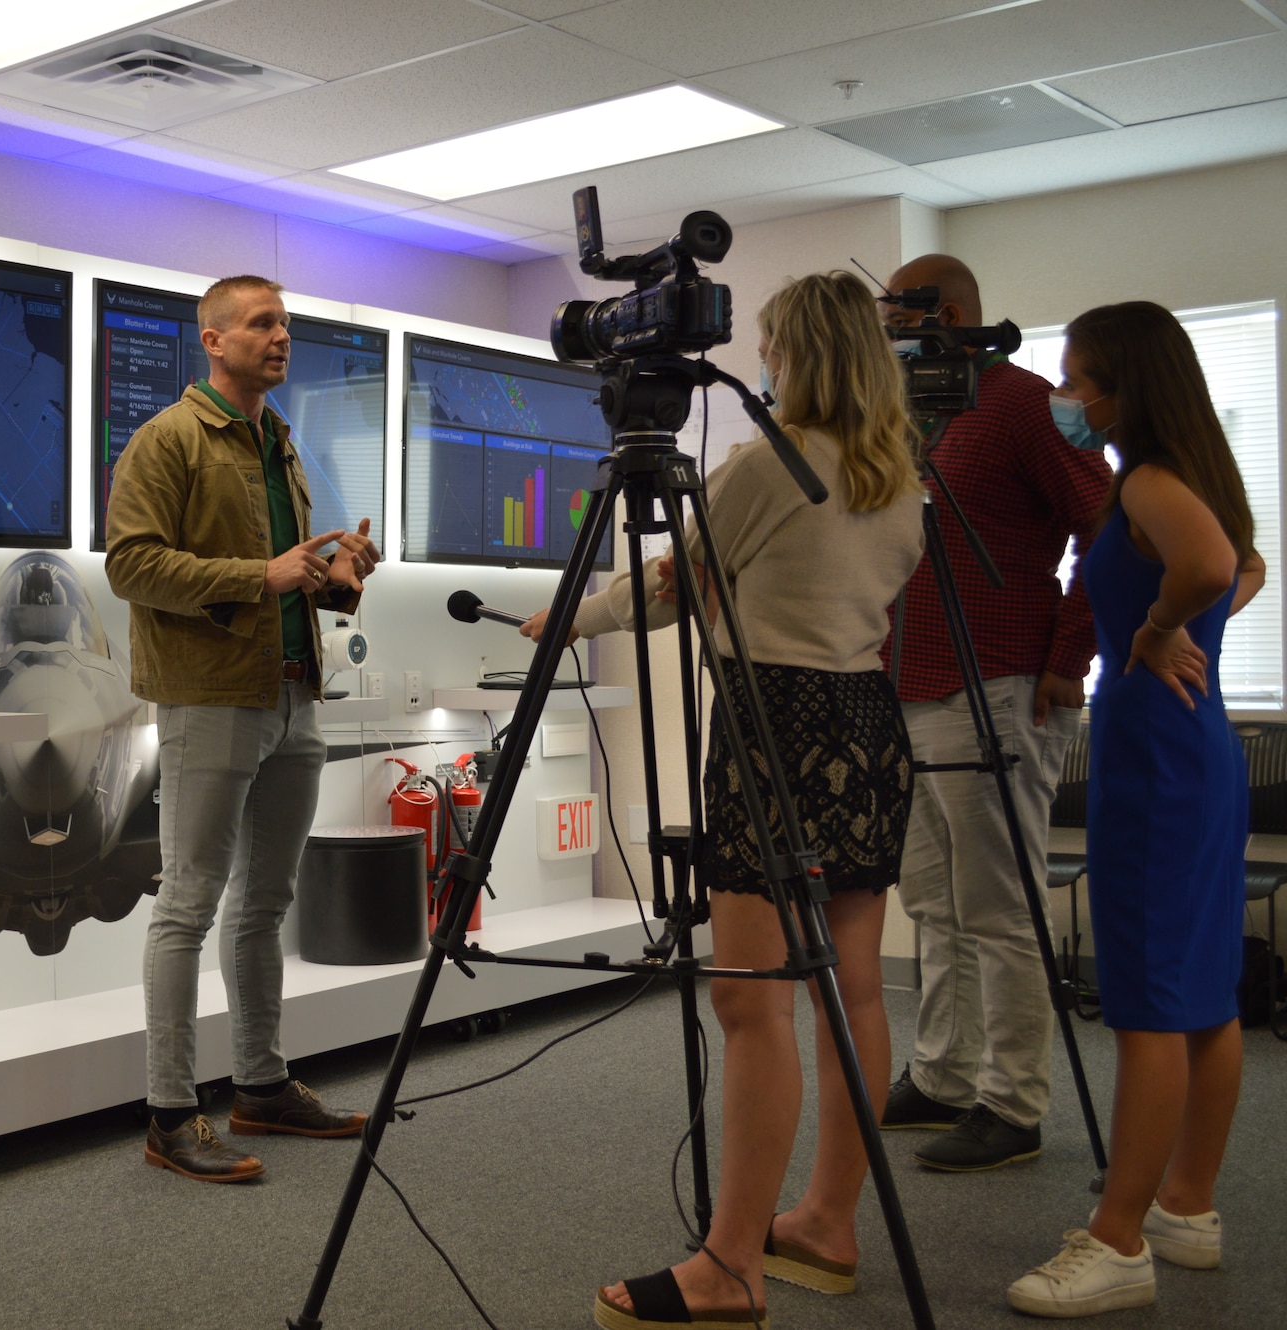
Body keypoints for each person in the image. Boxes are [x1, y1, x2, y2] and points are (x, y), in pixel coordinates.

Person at [523, 273, 924, 1327]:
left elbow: (678, 582)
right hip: (866, 730)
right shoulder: (897, 473)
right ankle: (825, 1223)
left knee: (750, 1001)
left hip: (775, 727)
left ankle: (730, 1266)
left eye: (771, 347)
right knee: (856, 991)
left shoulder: (764, 465)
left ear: (795, 354)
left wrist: (574, 616)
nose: (763, 364)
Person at [1006, 302, 1262, 1318]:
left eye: (1077, 380)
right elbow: (1241, 564)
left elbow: (1208, 569)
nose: (1065, 398)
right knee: (1200, 987)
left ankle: (1116, 1240)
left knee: (1151, 999)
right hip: (1185, 746)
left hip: (1156, 749)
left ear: (1126, 386)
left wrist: (1159, 627)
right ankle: (1183, 1209)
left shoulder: (1152, 478)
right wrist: (1183, 620)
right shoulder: (1183, 475)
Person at [104, 274, 381, 1183]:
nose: (281, 337)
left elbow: (289, 576)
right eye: (262, 324)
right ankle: (170, 1113)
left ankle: (260, 1085)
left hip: (296, 694)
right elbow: (132, 566)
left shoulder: (281, 444)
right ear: (212, 339)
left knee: (264, 904)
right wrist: (260, 576)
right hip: (211, 698)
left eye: (286, 325)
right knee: (187, 904)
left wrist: (338, 577)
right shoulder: (168, 439)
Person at [877, 254, 1113, 1172]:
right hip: (907, 687)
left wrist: (1071, 653)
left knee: (997, 904)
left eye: (898, 314)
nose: (887, 331)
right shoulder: (901, 415)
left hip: (1002, 683)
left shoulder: (1020, 402)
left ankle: (1014, 1104)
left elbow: (1110, 520)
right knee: (932, 899)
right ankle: (943, 1076)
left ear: (948, 313)